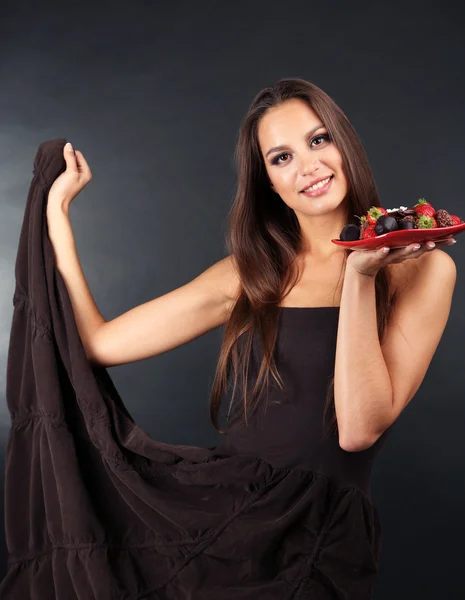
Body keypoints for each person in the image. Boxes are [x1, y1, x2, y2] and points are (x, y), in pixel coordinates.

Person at [3, 78, 457, 599]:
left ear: (344, 143)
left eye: (318, 140)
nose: (308, 166)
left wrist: (359, 275)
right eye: (281, 157)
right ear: (268, 181)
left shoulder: (423, 269)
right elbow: (101, 344)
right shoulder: (252, 273)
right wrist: (56, 218)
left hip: (319, 536)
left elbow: (357, 429)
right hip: (224, 519)